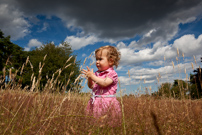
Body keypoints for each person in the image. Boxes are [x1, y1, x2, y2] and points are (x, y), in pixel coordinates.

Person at [82, 45, 121, 125]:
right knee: (95, 123)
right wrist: (90, 79)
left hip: (107, 103)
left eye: (100, 59)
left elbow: (104, 83)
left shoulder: (112, 74)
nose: (97, 62)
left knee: (109, 124)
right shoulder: (96, 73)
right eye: (96, 59)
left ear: (111, 61)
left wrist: (92, 76)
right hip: (95, 101)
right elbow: (91, 86)